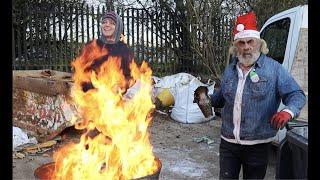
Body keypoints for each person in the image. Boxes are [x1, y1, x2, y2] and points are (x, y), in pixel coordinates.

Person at [205, 11, 306, 179]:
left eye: (250, 41)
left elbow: (296, 94)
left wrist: (287, 112)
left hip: (257, 145)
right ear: (236, 46)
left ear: (258, 43)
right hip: (228, 143)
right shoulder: (230, 70)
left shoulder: (274, 69)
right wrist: (205, 99)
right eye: (241, 42)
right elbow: (221, 98)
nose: (246, 47)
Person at [74, 11, 134, 93]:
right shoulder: (91, 46)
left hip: (115, 99)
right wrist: (97, 87)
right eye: (104, 22)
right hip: (90, 97)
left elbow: (130, 76)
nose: (107, 25)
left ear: (118, 27)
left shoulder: (124, 49)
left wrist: (120, 85)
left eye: (112, 23)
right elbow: (80, 73)